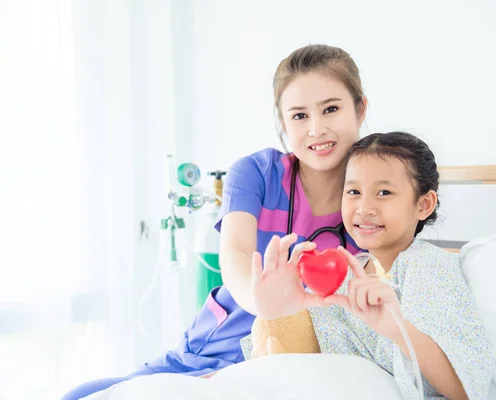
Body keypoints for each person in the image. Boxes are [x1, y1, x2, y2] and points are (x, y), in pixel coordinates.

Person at [62, 43, 367, 399]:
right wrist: (266, 304)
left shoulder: (380, 193)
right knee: (79, 395)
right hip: (208, 345)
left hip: (278, 359)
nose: (316, 129)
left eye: (330, 109)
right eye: (299, 116)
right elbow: (235, 257)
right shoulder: (256, 173)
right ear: (283, 122)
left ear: (360, 109)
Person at [241, 132, 494, 399]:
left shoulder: (427, 266)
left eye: (384, 192)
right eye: (353, 192)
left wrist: (396, 328)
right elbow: (309, 345)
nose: (364, 207)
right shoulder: (348, 272)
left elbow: (465, 390)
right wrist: (278, 312)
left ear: (424, 204)